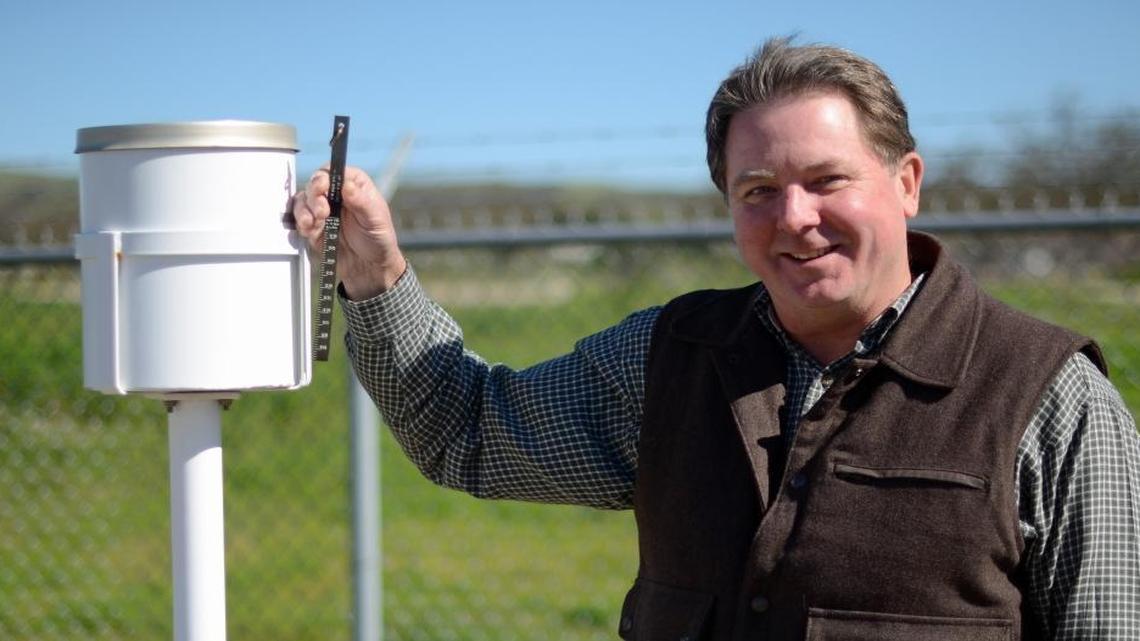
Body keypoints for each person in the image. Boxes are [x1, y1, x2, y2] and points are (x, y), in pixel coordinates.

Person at [294, 37, 1140, 641]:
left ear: (906, 182)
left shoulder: (1048, 398)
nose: (795, 217)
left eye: (826, 180)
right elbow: (468, 430)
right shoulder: (670, 360)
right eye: (758, 189)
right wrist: (376, 274)